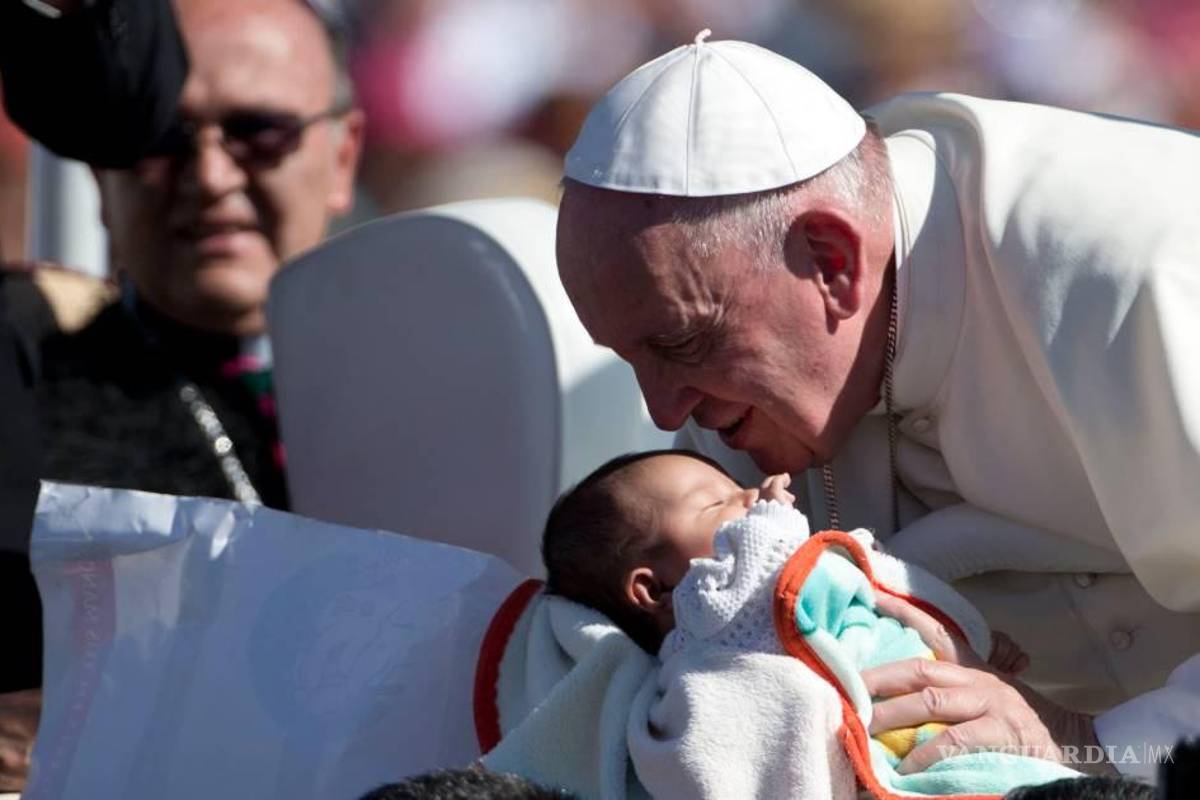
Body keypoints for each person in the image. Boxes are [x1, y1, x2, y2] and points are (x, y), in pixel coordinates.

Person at [555, 34, 1200, 782]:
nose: (665, 412)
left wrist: (1094, 743)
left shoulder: (1148, 265)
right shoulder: (727, 370)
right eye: (631, 355)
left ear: (831, 261)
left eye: (683, 341)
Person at [543, 449, 1070, 796]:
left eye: (738, 489)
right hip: (910, 760)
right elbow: (752, 580)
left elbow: (884, 610)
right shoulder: (713, 633)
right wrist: (769, 516)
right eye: (716, 503)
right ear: (654, 590)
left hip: (955, 732)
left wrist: (970, 639)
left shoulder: (791, 589)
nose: (749, 494)